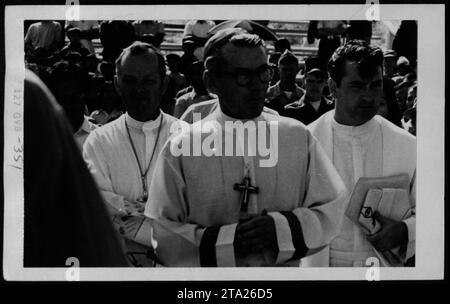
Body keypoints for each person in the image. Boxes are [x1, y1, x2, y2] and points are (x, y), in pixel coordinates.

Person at [145, 28, 347, 267]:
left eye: (263, 73)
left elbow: (331, 207)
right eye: (243, 75)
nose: (257, 86)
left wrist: (279, 229)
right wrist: (227, 242)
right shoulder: (182, 145)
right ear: (212, 81)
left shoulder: (296, 137)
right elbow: (163, 229)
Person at [307, 40, 416, 267]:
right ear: (333, 87)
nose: (368, 97)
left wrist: (406, 230)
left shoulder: (408, 145)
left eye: (375, 86)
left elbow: (434, 210)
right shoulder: (306, 143)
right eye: (357, 86)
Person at [83, 42, 181, 266]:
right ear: (117, 84)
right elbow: (96, 205)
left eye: (148, 81)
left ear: (164, 84)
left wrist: (141, 226)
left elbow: (193, 212)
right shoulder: (99, 140)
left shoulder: (186, 137)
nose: (139, 89)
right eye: (130, 81)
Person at [24, 69, 127, 267]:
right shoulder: (38, 137)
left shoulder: (102, 139)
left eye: (76, 98)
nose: (71, 105)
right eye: (64, 99)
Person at [46, 60, 96, 150]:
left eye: (73, 99)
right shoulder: (37, 139)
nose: (68, 106)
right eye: (62, 101)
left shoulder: (102, 139)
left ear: (84, 96)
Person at [285, 56, 334, 125]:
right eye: (310, 81)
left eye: (319, 82)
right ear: (303, 80)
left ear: (326, 83)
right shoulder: (291, 111)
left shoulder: (332, 109)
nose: (314, 86)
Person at [265, 50, 305, 117]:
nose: (288, 73)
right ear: (278, 70)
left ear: (297, 70)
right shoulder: (267, 95)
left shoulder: (304, 96)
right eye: (284, 69)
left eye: (291, 69)